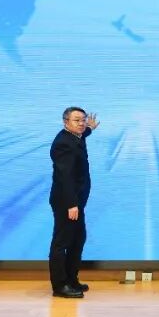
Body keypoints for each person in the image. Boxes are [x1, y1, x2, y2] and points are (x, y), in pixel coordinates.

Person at [48, 107, 99, 298]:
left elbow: (83, 133)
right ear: (65, 122)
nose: (82, 123)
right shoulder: (63, 143)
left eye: (83, 120)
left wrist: (90, 129)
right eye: (77, 120)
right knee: (62, 242)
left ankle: (71, 279)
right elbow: (65, 176)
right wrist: (71, 204)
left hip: (77, 201)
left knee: (77, 239)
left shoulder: (75, 137)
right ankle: (60, 286)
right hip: (66, 202)